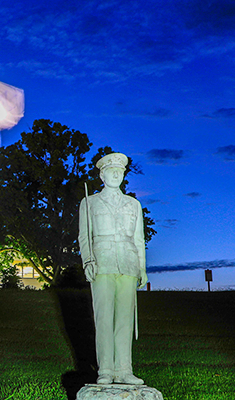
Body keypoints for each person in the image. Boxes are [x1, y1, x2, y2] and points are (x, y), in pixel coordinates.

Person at [78, 152, 147, 385]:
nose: (116, 174)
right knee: (104, 318)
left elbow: (138, 239)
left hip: (127, 263)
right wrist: (88, 261)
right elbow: (85, 236)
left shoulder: (133, 204)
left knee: (125, 321)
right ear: (102, 174)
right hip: (102, 262)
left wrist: (142, 268)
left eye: (120, 171)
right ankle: (106, 370)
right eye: (111, 171)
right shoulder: (90, 202)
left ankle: (125, 369)